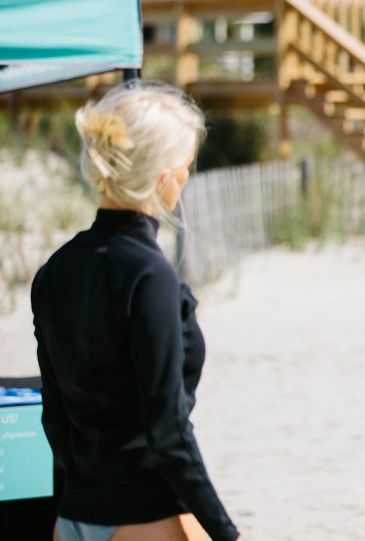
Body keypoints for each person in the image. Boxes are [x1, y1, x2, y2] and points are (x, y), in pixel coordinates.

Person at [31, 81, 241, 541]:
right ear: (163, 177)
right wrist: (227, 533)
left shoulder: (54, 272)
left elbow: (55, 415)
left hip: (74, 516)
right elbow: (168, 430)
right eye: (185, 167)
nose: (187, 178)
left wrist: (85, 495)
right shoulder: (150, 277)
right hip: (144, 514)